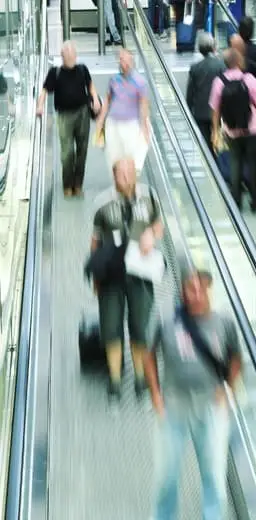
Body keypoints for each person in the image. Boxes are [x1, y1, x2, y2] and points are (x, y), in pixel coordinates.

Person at [144, 268, 242, 520]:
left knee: (214, 475)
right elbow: (148, 354)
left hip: (210, 407)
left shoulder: (224, 322)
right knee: (166, 475)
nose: (196, 294)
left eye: (201, 289)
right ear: (183, 291)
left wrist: (228, 389)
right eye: (191, 289)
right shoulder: (166, 318)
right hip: (173, 406)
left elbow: (235, 358)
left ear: (210, 291)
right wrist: (155, 393)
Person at [91, 157, 164, 403]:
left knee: (140, 327)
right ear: (114, 176)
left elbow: (158, 225)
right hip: (112, 273)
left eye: (131, 173)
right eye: (122, 174)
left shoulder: (149, 196)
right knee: (111, 327)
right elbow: (96, 241)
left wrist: (151, 235)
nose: (128, 178)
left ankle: (140, 377)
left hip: (140, 273)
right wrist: (96, 275)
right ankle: (114, 380)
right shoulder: (102, 204)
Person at [36, 40, 101, 198]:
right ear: (62, 55)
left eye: (73, 55)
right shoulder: (55, 72)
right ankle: (67, 185)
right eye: (67, 55)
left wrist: (95, 99)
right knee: (67, 153)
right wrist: (40, 106)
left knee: (82, 150)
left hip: (82, 113)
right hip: (64, 116)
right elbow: (44, 90)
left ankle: (78, 184)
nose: (71, 58)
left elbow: (90, 85)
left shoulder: (82, 69)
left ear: (76, 55)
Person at [209, 48, 256, 212]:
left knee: (235, 162)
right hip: (253, 129)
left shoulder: (219, 82)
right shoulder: (249, 79)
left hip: (231, 130)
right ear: (239, 62)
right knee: (253, 163)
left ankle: (236, 202)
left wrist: (215, 131)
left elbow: (215, 110)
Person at [96, 49, 150, 175]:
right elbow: (108, 101)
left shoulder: (140, 82)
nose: (123, 63)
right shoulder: (114, 80)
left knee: (131, 158)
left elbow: (143, 104)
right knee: (114, 158)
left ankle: (130, 184)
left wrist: (144, 126)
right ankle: (118, 186)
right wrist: (100, 121)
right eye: (121, 60)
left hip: (131, 125)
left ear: (132, 61)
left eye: (126, 60)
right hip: (113, 124)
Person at [186, 33, 225, 154]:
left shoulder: (195, 67)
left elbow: (190, 93)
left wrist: (189, 110)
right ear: (213, 47)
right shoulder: (221, 65)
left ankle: (210, 166)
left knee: (205, 146)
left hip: (200, 112)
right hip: (217, 111)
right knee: (217, 139)